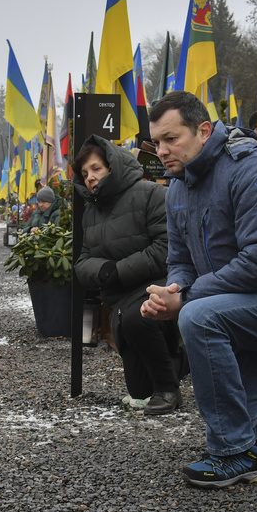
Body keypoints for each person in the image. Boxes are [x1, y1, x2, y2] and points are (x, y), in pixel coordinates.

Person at [141, 91, 257, 488]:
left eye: (171, 139)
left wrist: (186, 299)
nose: (161, 150)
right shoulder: (177, 187)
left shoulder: (251, 168)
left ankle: (233, 457)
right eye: (157, 141)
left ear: (204, 130)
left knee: (197, 316)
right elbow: (180, 259)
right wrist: (171, 289)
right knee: (239, 423)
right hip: (232, 310)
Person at [73, 136, 183, 415]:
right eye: (85, 173)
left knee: (139, 316)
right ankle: (191, 358)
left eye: (96, 169)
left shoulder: (150, 193)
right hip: (118, 300)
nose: (90, 178)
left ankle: (168, 390)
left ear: (113, 166)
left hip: (156, 288)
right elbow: (82, 261)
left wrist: (117, 270)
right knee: (139, 390)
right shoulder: (90, 211)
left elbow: (165, 247)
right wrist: (104, 271)